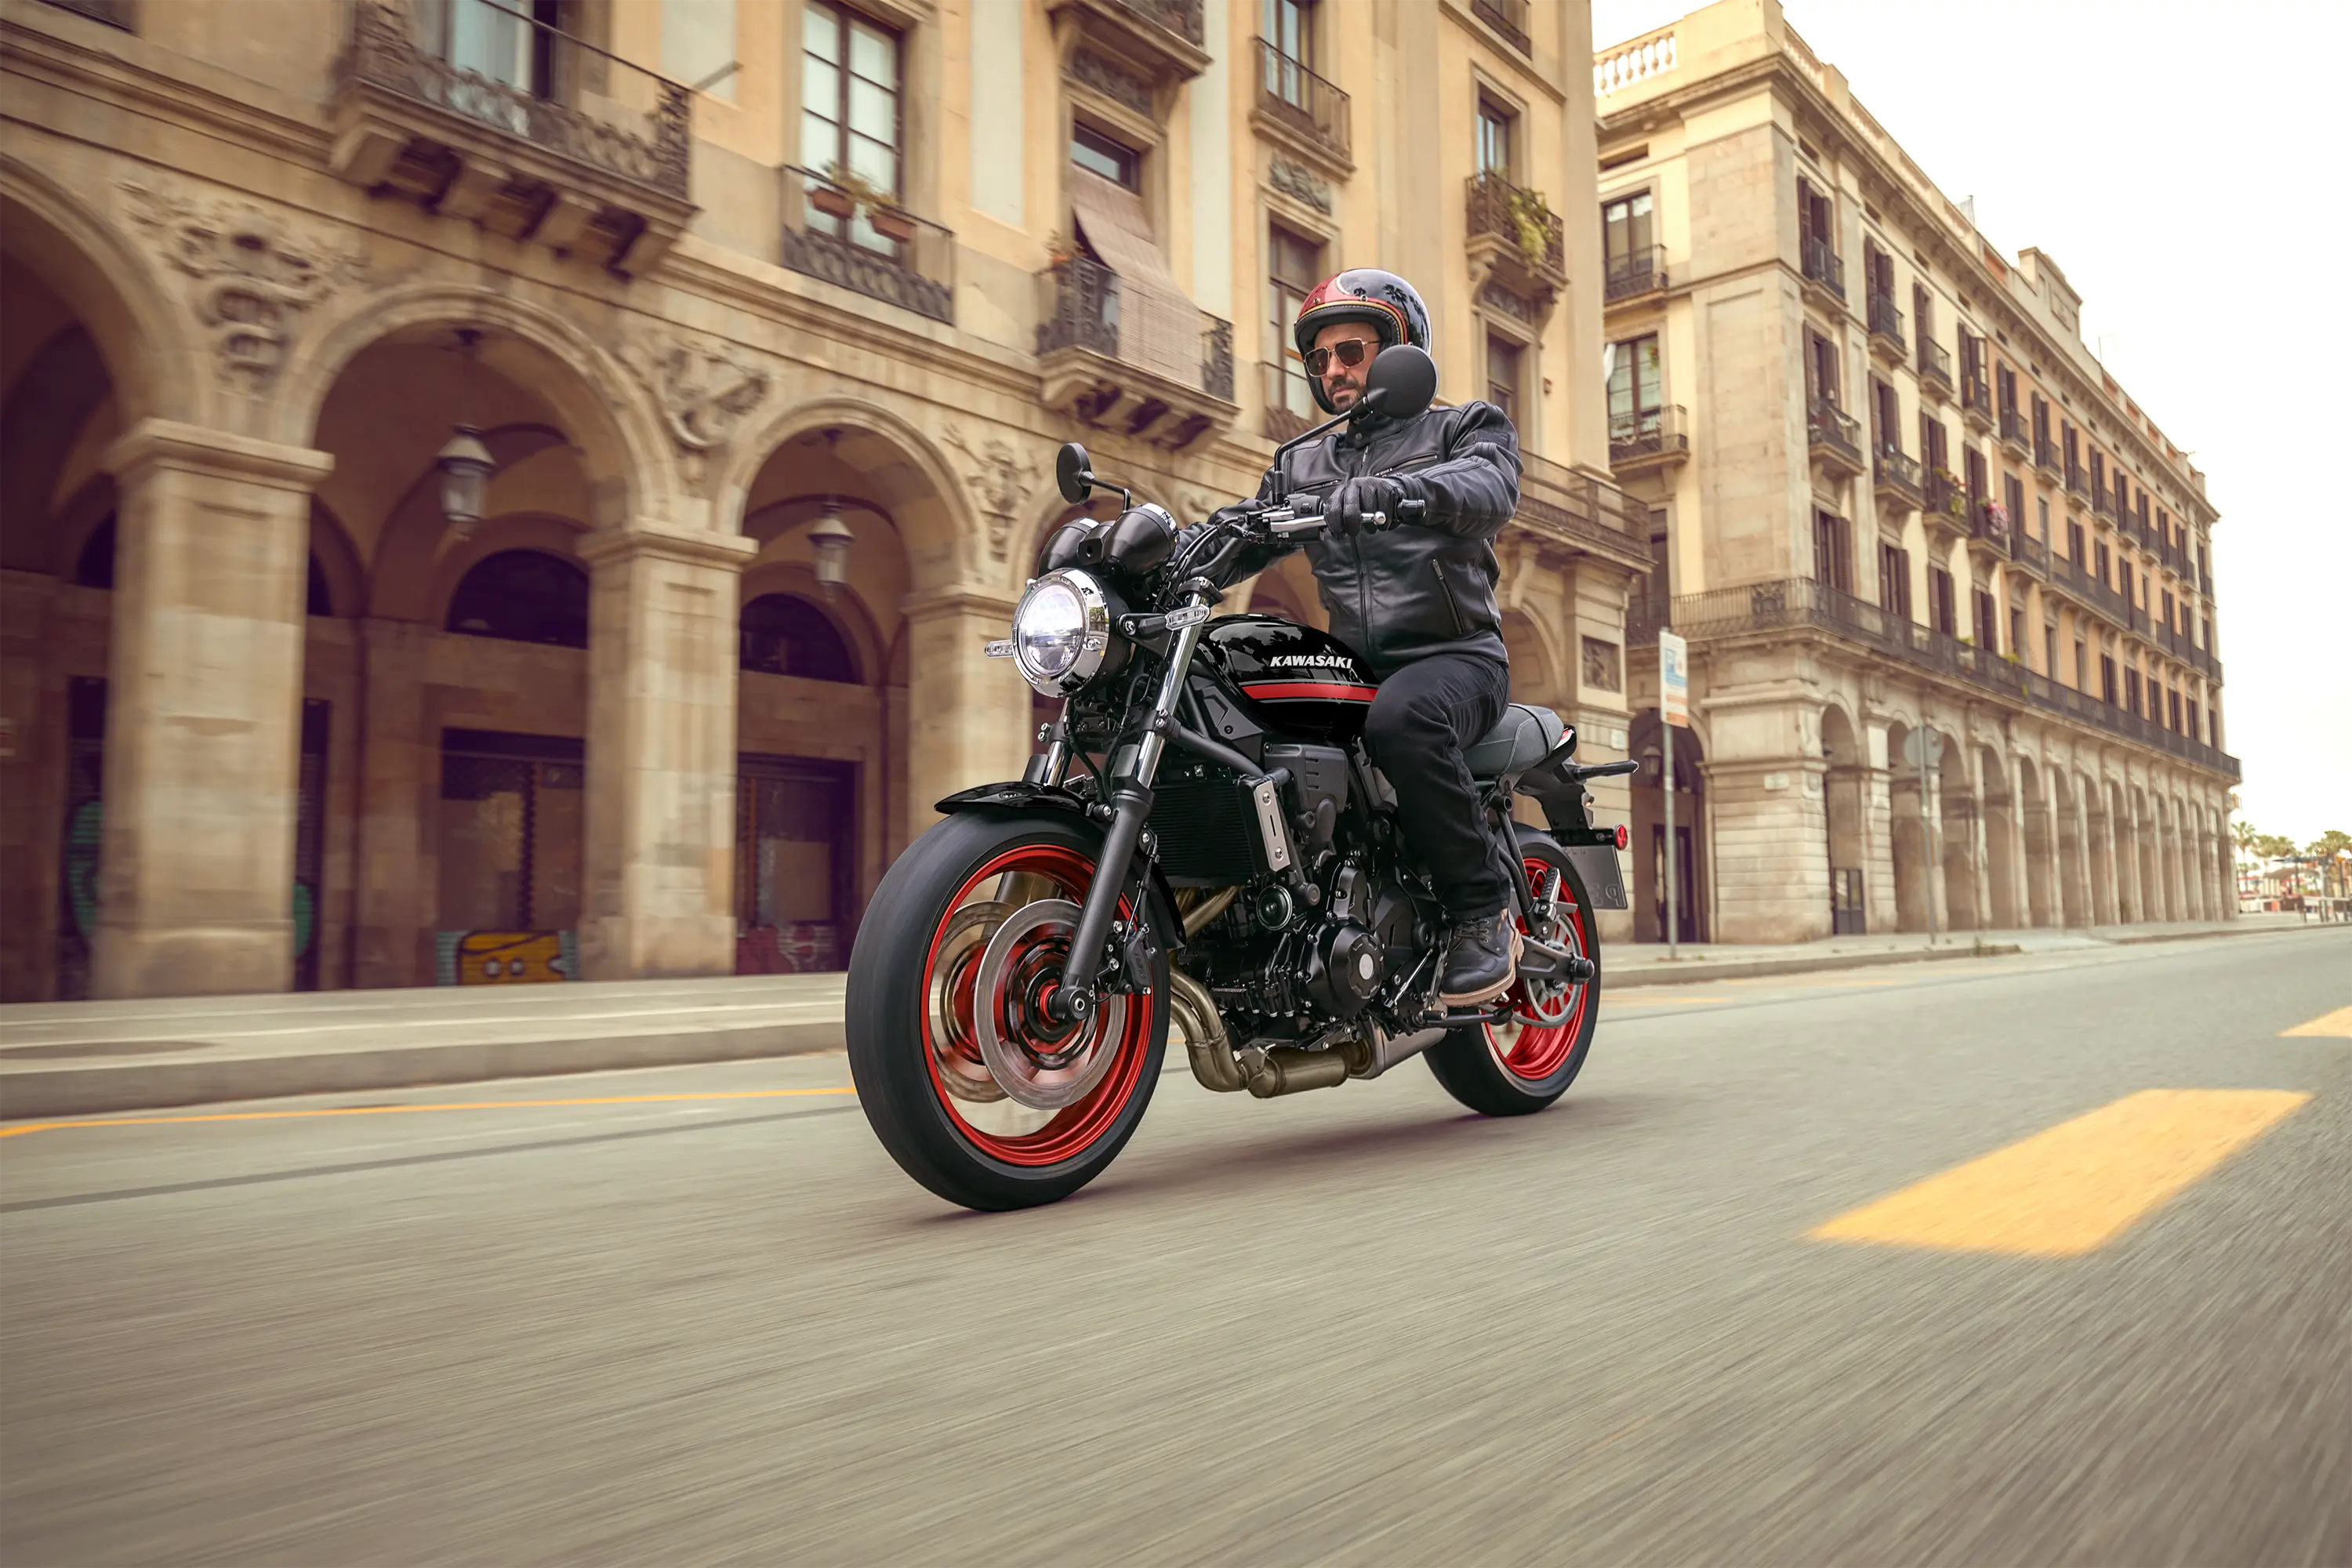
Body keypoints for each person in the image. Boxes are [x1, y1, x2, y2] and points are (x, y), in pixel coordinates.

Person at [1214, 269, 1524, 1006]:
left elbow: (1489, 489)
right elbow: (1242, 530)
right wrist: (1150, 550)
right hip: (1355, 665)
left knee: (1400, 715)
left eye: (1349, 351)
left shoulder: (1460, 427)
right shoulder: (1302, 462)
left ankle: (1483, 910)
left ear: (1397, 350)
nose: (1332, 372)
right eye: (1318, 361)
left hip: (1457, 658)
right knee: (1235, 707)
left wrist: (1403, 492)